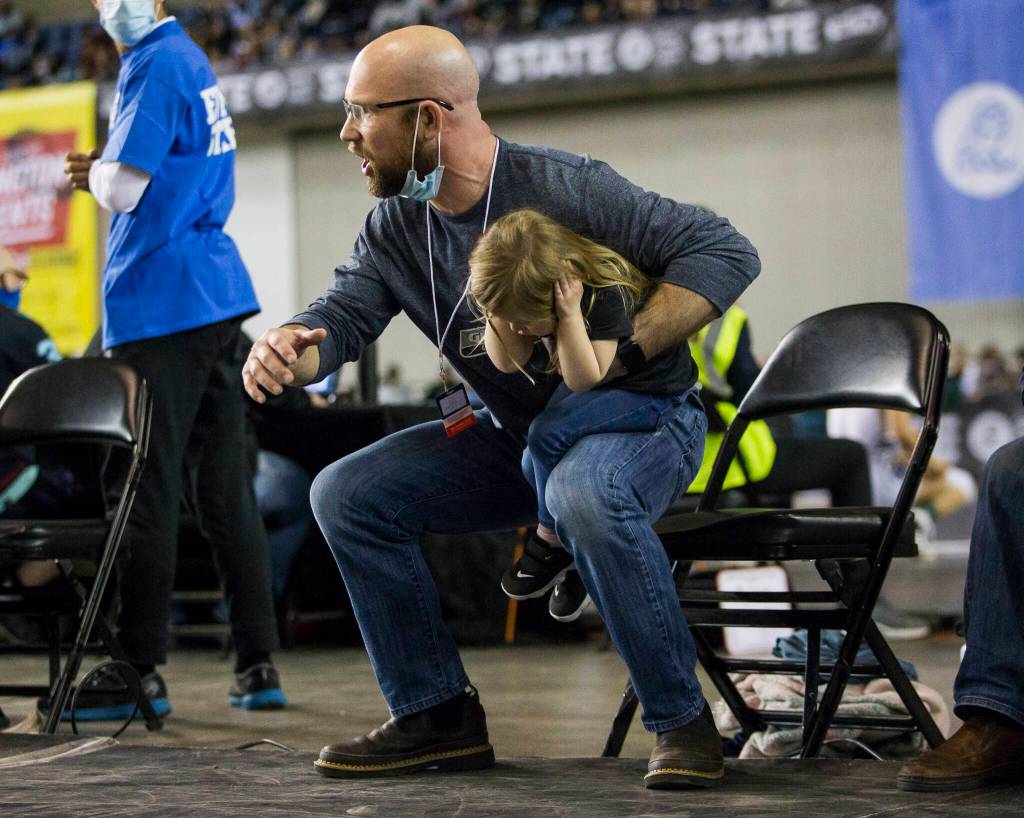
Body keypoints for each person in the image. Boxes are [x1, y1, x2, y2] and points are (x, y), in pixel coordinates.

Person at [243, 25, 760, 789]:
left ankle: (683, 724)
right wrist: (292, 343)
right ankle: (437, 717)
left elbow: (725, 251)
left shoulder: (567, 187)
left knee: (583, 493)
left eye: (361, 112)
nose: (346, 133)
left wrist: (624, 356)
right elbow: (343, 316)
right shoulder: (395, 223)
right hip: (514, 435)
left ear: (428, 118)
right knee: (345, 494)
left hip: (642, 424)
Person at [58, 0, 284, 720]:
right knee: (224, 489)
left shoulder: (154, 64)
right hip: (214, 294)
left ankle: (136, 670)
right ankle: (257, 664)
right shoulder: (190, 59)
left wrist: (92, 174)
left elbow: (125, 186)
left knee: (140, 483)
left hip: (161, 299)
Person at [467, 209, 698, 604]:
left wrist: (571, 316)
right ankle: (578, 560)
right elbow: (508, 361)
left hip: (655, 397)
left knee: (545, 435)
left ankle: (551, 542)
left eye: (524, 320)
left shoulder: (604, 293)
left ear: (559, 292)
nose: (519, 329)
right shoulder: (538, 303)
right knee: (530, 462)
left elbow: (585, 378)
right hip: (602, 385)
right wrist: (495, 309)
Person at [897, 367, 1024, 791]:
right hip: (889, 471)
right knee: (1010, 468)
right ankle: (999, 713)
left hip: (889, 468)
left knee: (957, 481)